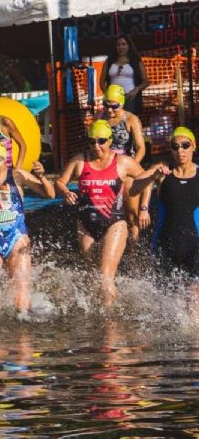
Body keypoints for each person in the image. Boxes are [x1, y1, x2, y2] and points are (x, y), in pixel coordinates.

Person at [55, 120, 144, 308]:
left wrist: (143, 208)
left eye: (101, 141)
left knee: (104, 275)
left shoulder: (123, 162)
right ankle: (99, 315)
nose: (96, 146)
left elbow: (147, 179)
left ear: (110, 141)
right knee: (92, 276)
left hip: (114, 223)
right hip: (85, 224)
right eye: (92, 141)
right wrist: (66, 192)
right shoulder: (80, 160)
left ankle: (110, 324)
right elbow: (60, 182)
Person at [0, 138, 55, 318]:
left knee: (20, 301)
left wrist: (42, 176)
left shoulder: (17, 176)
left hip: (17, 238)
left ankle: (25, 338)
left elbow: (49, 194)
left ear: (6, 160)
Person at [133, 128, 199, 319]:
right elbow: (134, 188)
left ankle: (194, 342)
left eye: (185, 145)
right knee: (168, 300)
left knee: (193, 294)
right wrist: (153, 174)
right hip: (166, 243)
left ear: (193, 146)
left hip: (195, 244)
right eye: (175, 146)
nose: (181, 150)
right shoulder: (164, 174)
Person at [98, 85, 147, 241]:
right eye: (106, 105)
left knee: (131, 214)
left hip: (126, 170)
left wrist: (130, 168)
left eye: (114, 106)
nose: (110, 110)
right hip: (104, 168)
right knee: (104, 214)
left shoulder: (131, 119)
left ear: (122, 103)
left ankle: (134, 253)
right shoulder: (99, 118)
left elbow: (141, 148)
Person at [100, 34, 149, 114]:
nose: (121, 47)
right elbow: (101, 82)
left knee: (128, 121)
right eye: (118, 45)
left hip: (129, 97)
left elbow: (146, 81)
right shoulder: (109, 61)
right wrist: (107, 95)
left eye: (124, 44)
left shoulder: (135, 60)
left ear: (128, 46)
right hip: (113, 99)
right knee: (114, 121)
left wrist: (136, 90)